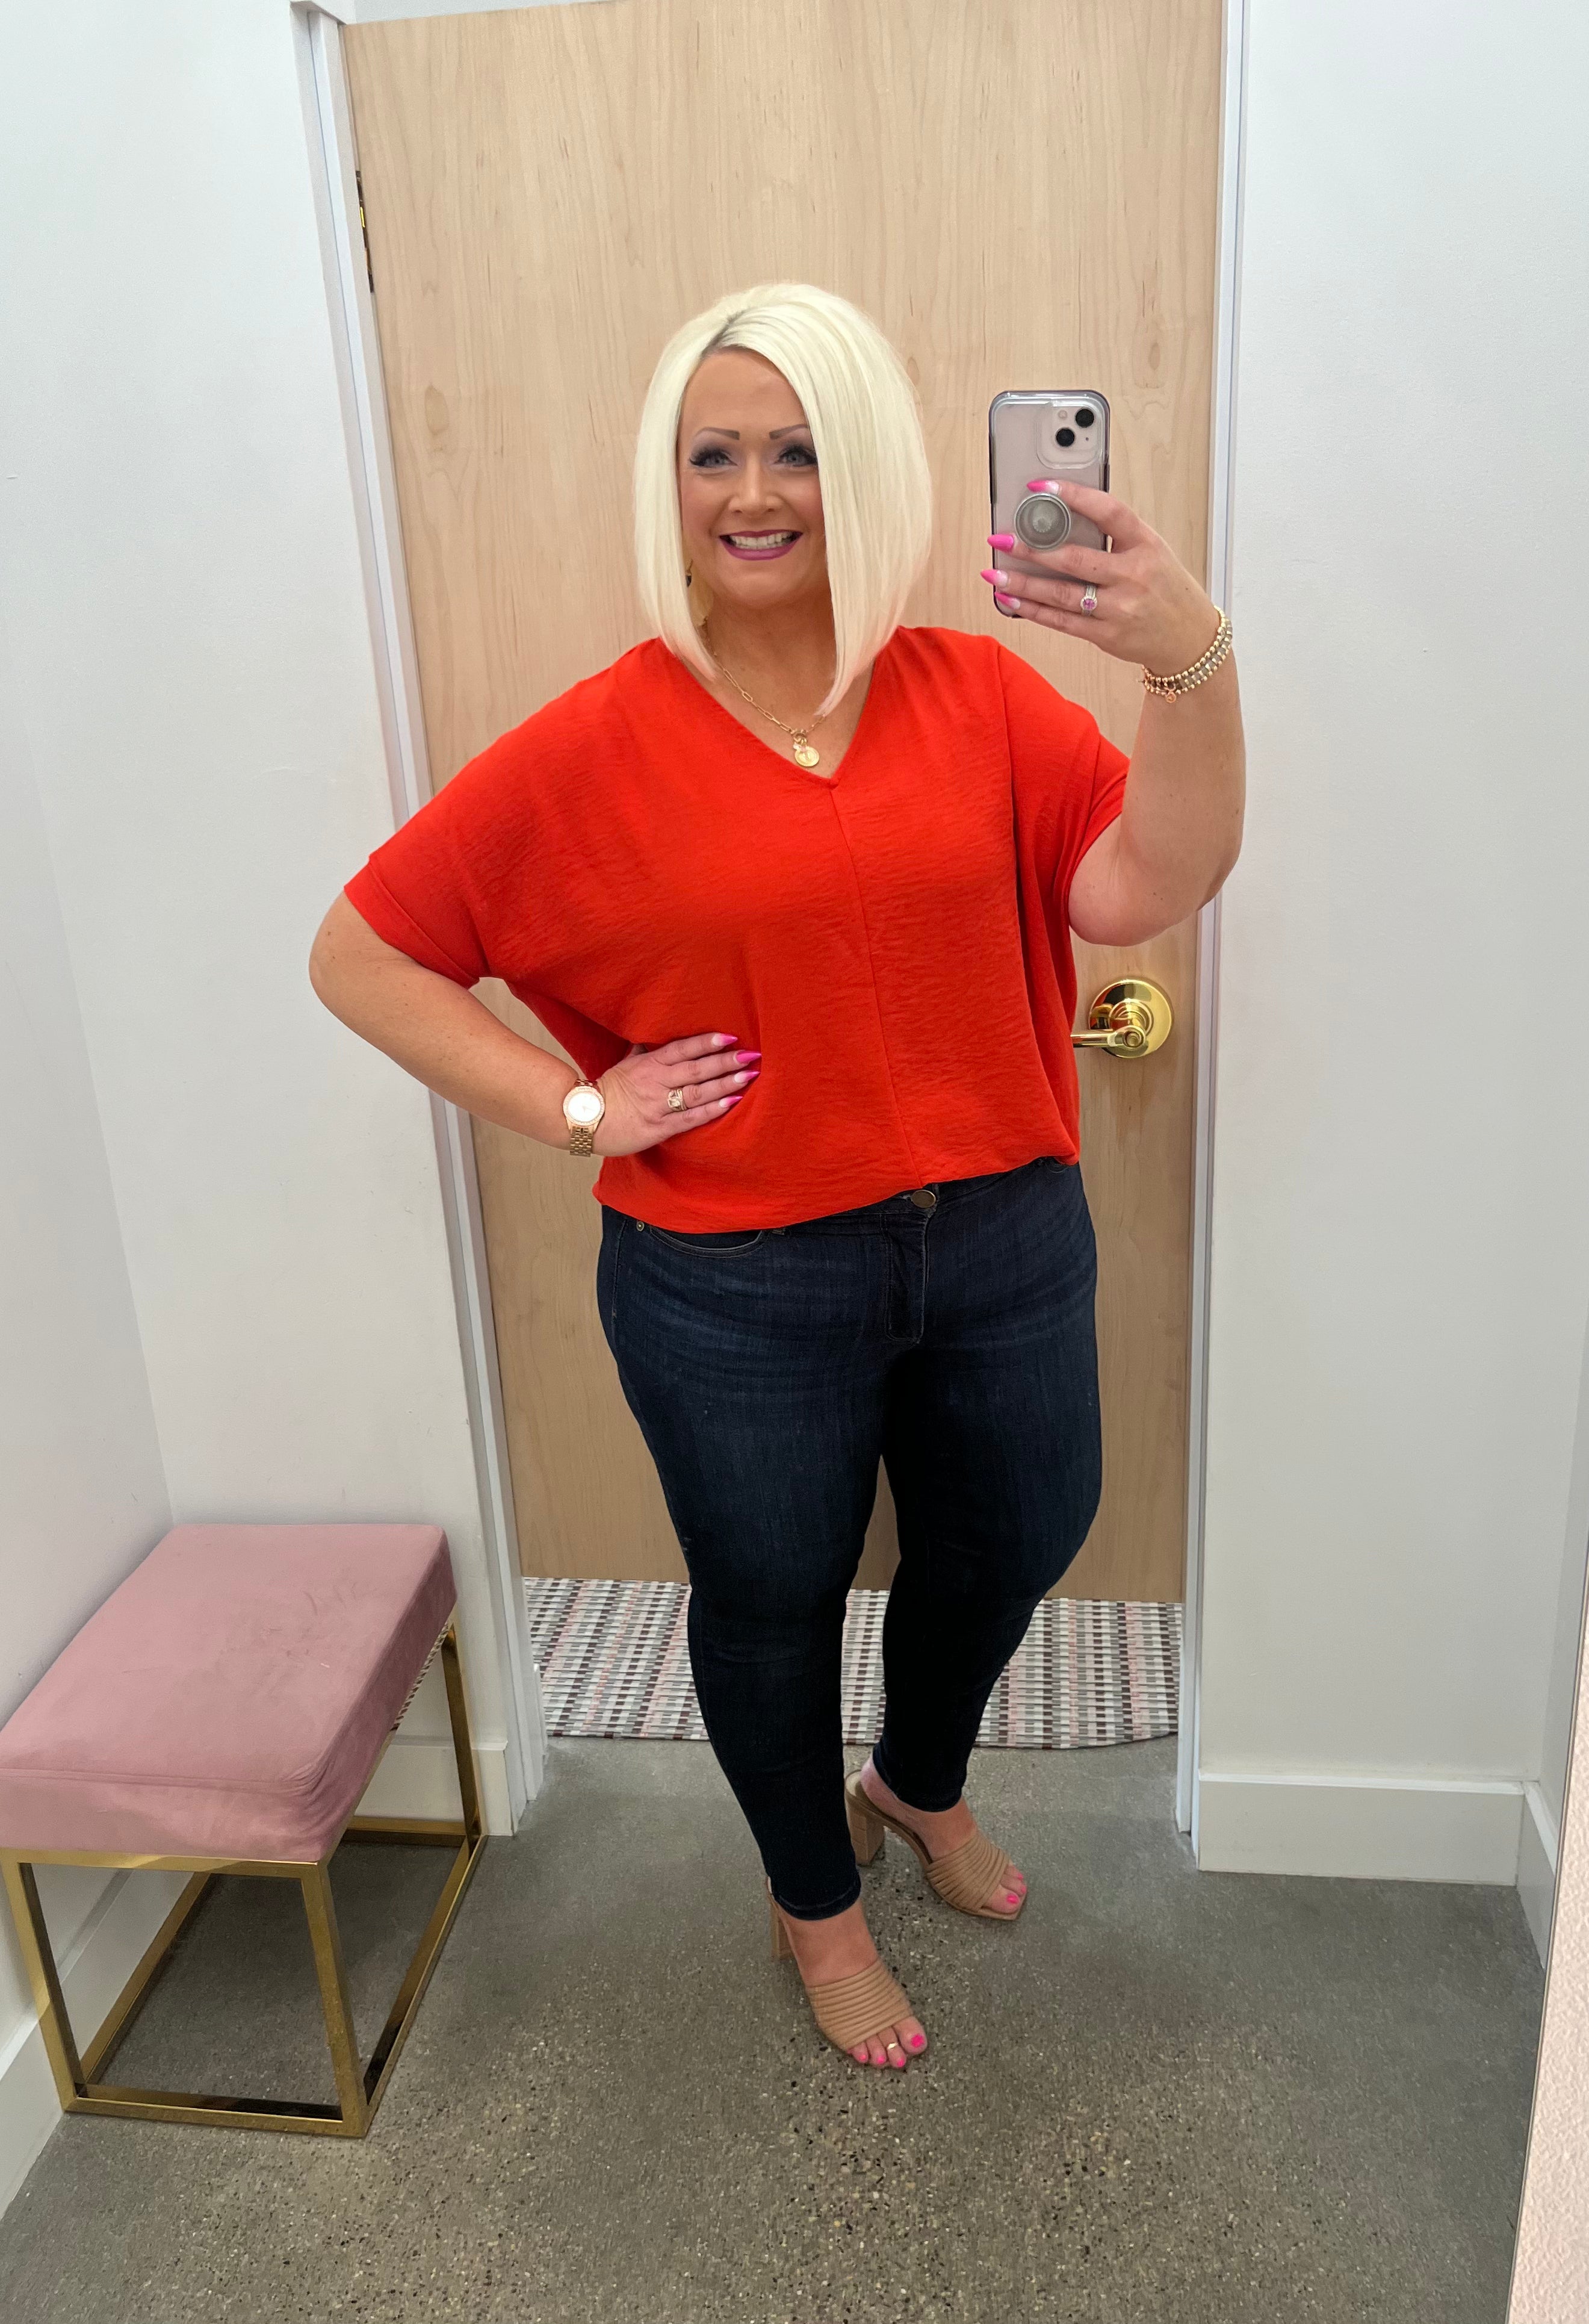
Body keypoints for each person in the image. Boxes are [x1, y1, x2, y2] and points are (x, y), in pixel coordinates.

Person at [310, 282, 1244, 2072]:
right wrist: (577, 1107)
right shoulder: (593, 746)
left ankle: (917, 1781)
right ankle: (814, 1902)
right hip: (734, 1278)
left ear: (864, 469)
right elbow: (361, 955)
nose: (756, 491)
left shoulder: (973, 696)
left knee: (1023, 1533)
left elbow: (1146, 883)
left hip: (1003, 1235)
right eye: (714, 453)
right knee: (771, 1599)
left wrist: (1191, 659)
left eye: (801, 450)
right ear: (669, 485)